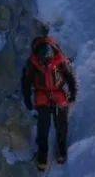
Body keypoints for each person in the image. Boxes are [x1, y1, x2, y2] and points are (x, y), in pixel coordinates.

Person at [21, 36, 77, 170]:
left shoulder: (60, 61)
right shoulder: (32, 64)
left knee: (61, 125)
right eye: (43, 61)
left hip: (57, 93)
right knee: (43, 128)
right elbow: (26, 82)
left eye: (49, 61)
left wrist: (72, 94)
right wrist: (27, 99)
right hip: (43, 95)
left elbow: (70, 77)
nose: (46, 64)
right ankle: (42, 157)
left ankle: (61, 151)